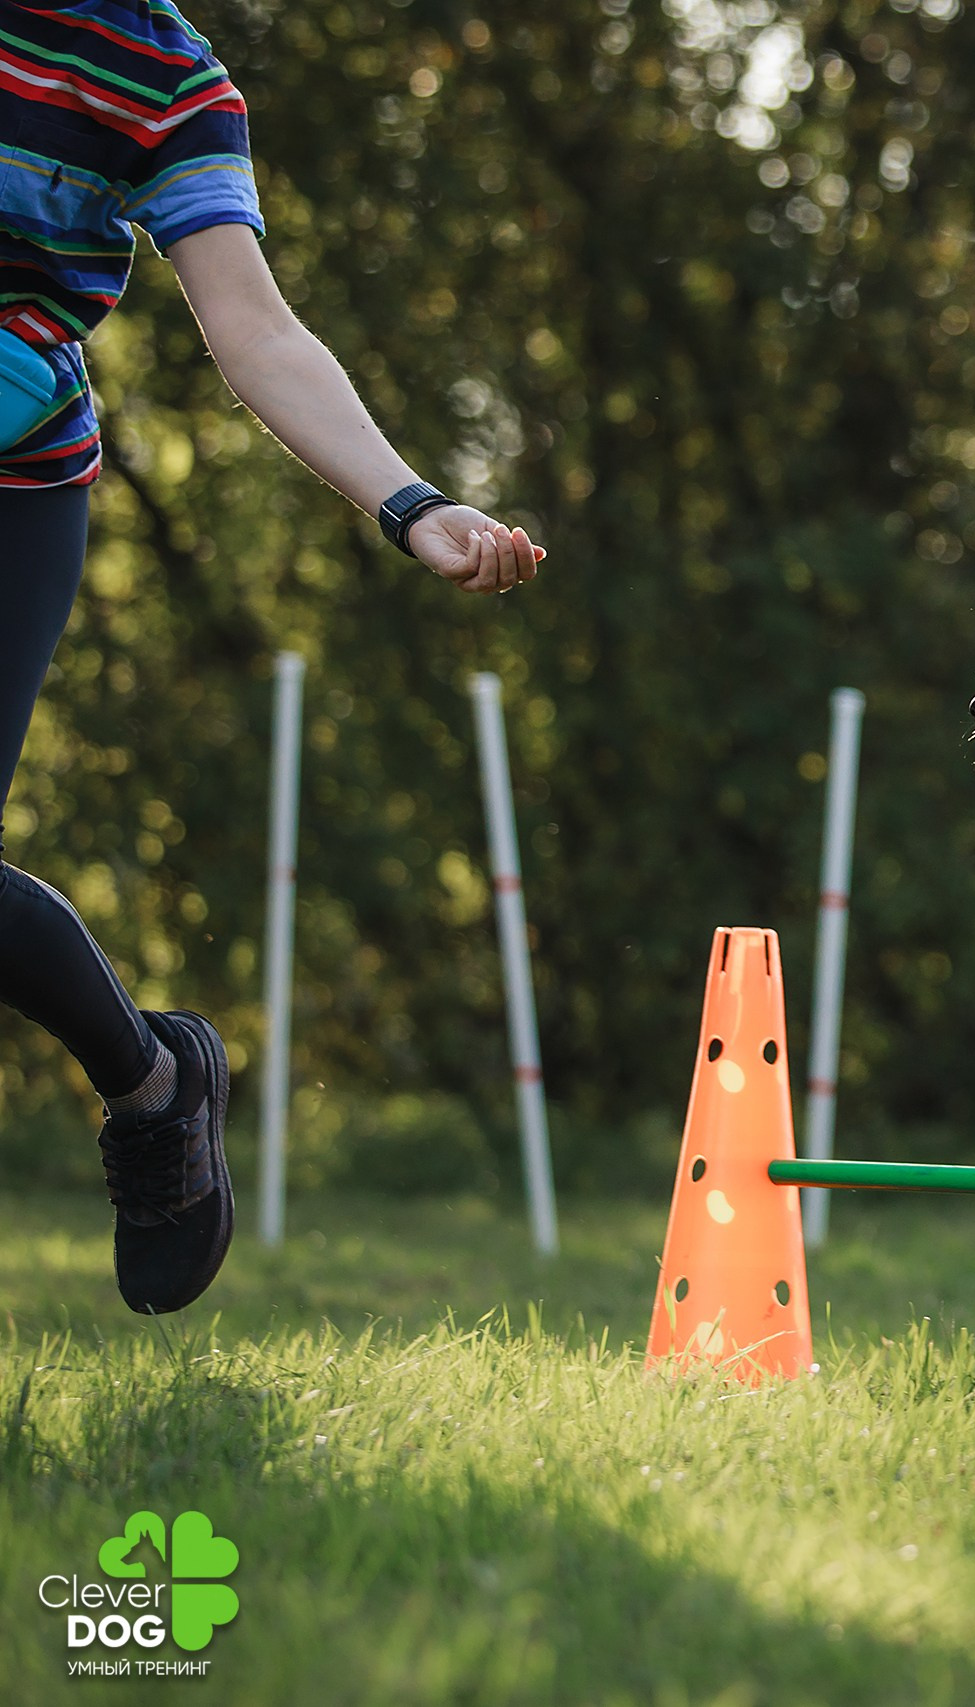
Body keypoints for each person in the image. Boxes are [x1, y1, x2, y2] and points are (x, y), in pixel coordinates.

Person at [1, 1, 542, 1313]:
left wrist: (411, 504)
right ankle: (158, 1081)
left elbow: (255, 332)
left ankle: (153, 1084)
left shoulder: (168, 81)